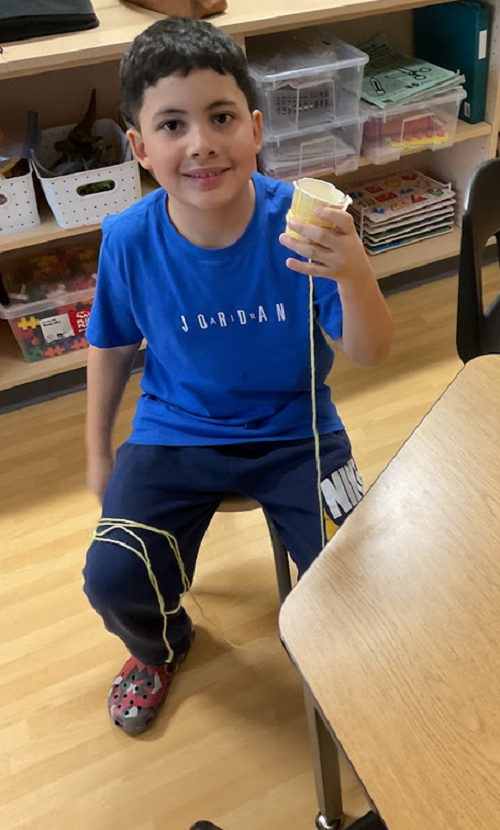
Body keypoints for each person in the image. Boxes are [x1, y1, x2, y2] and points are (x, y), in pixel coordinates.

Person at [83, 16, 393, 736]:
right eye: (172, 124)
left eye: (221, 116)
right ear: (139, 147)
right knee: (115, 573)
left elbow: (371, 354)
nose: (201, 143)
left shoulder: (302, 225)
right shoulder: (128, 241)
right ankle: (159, 647)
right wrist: (98, 451)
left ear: (256, 129)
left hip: (298, 428)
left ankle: (343, 668)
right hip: (175, 432)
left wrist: (354, 273)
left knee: (359, 580)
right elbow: (110, 343)